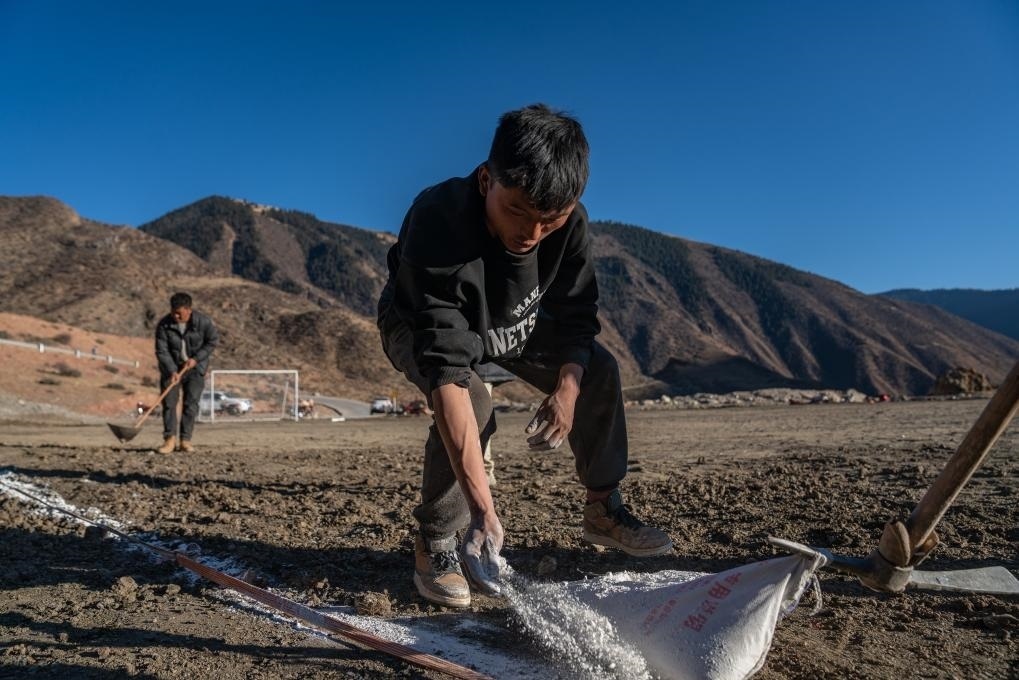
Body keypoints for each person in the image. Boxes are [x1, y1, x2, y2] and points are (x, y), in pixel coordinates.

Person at [377, 104, 672, 608]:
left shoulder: (570, 225)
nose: (531, 234)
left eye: (549, 220)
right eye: (516, 211)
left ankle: (603, 509)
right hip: (420, 320)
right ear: (486, 180)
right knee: (473, 399)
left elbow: (576, 319)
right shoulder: (438, 220)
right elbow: (447, 370)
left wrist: (567, 391)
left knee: (597, 370)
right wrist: (482, 510)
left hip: (514, 318)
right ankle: (437, 540)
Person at [154, 292, 219, 454]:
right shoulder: (164, 325)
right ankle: (169, 440)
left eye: (179, 313)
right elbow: (162, 351)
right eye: (173, 312)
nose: (175, 316)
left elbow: (212, 341)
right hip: (171, 369)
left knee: (191, 404)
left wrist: (196, 359)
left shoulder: (203, 322)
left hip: (195, 369)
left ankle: (185, 440)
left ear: (189, 310)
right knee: (169, 403)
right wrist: (172, 370)